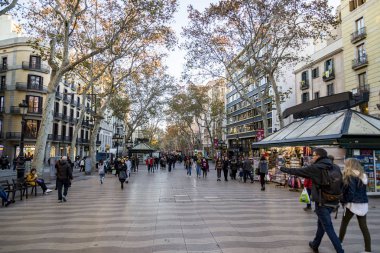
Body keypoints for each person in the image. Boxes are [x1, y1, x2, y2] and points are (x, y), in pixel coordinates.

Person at [280, 148, 344, 253]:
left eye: (313, 155)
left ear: (318, 156)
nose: (312, 157)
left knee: (328, 228)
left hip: (322, 202)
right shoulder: (335, 167)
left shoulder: (316, 168)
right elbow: (342, 183)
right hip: (334, 201)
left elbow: (298, 171)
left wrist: (283, 169)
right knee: (321, 224)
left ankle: (340, 250)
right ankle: (315, 244)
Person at [339, 158, 371, 253]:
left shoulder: (350, 176)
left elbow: (351, 192)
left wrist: (343, 201)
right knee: (364, 227)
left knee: (344, 224)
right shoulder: (363, 175)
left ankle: (339, 242)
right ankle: (368, 250)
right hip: (363, 204)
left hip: (351, 204)